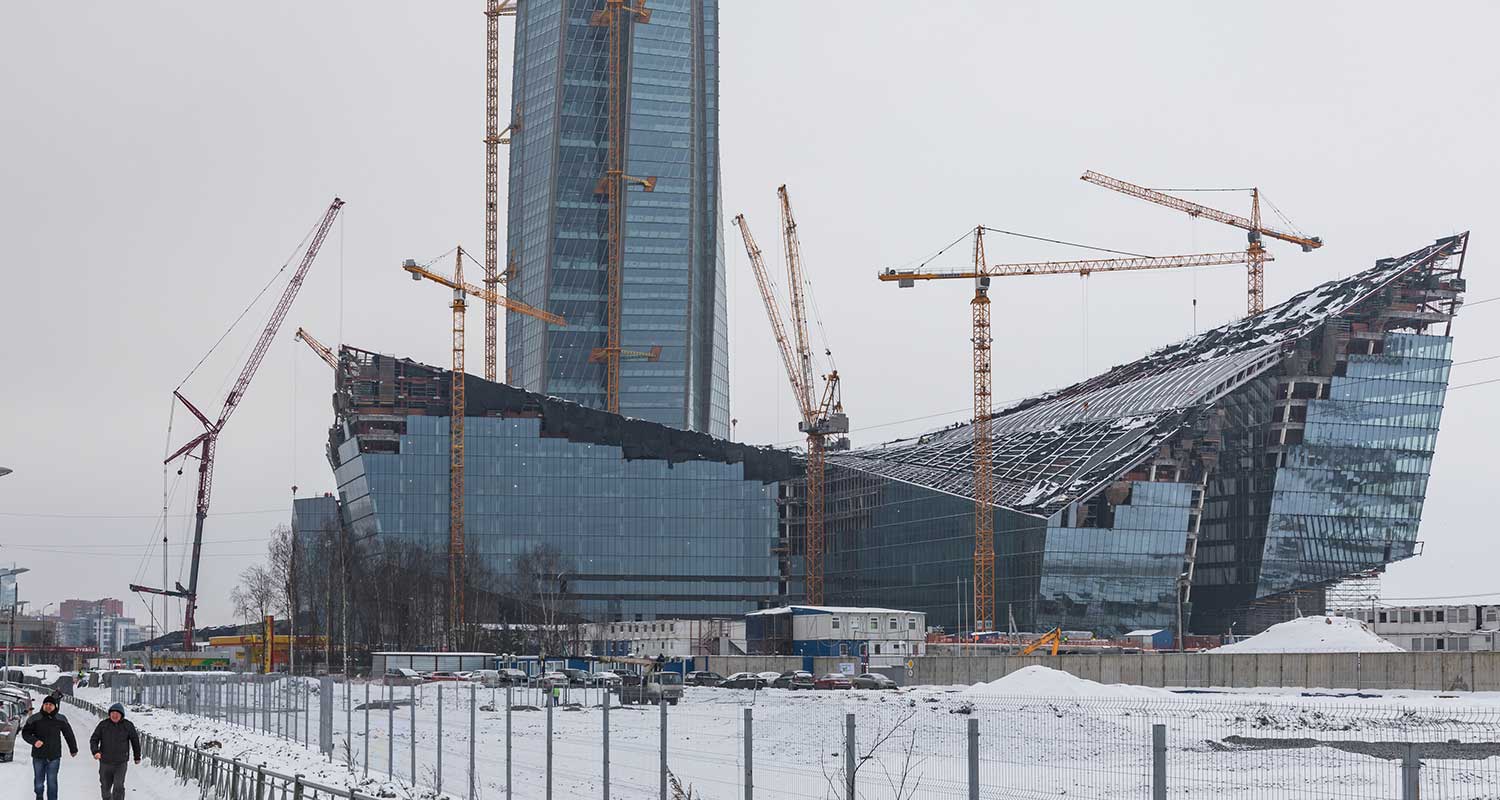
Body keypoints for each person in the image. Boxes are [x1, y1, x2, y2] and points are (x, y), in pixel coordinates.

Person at [21, 693, 78, 800]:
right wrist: (34, 741)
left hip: (54, 756)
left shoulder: (61, 719)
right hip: (38, 756)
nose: (48, 706)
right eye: (46, 704)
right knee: (39, 782)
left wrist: (73, 748)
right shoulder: (34, 718)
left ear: (55, 706)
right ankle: (39, 796)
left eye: (50, 704)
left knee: (52, 782)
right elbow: (25, 733)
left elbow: (69, 734)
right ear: (43, 705)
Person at [89, 702, 141, 800]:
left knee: (118, 786)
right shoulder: (103, 725)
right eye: (112, 713)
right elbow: (94, 739)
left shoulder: (128, 725)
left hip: (120, 762)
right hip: (105, 762)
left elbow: (135, 740)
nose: (115, 715)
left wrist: (137, 756)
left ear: (121, 715)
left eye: (117, 713)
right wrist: (95, 751)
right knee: (105, 787)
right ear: (109, 714)